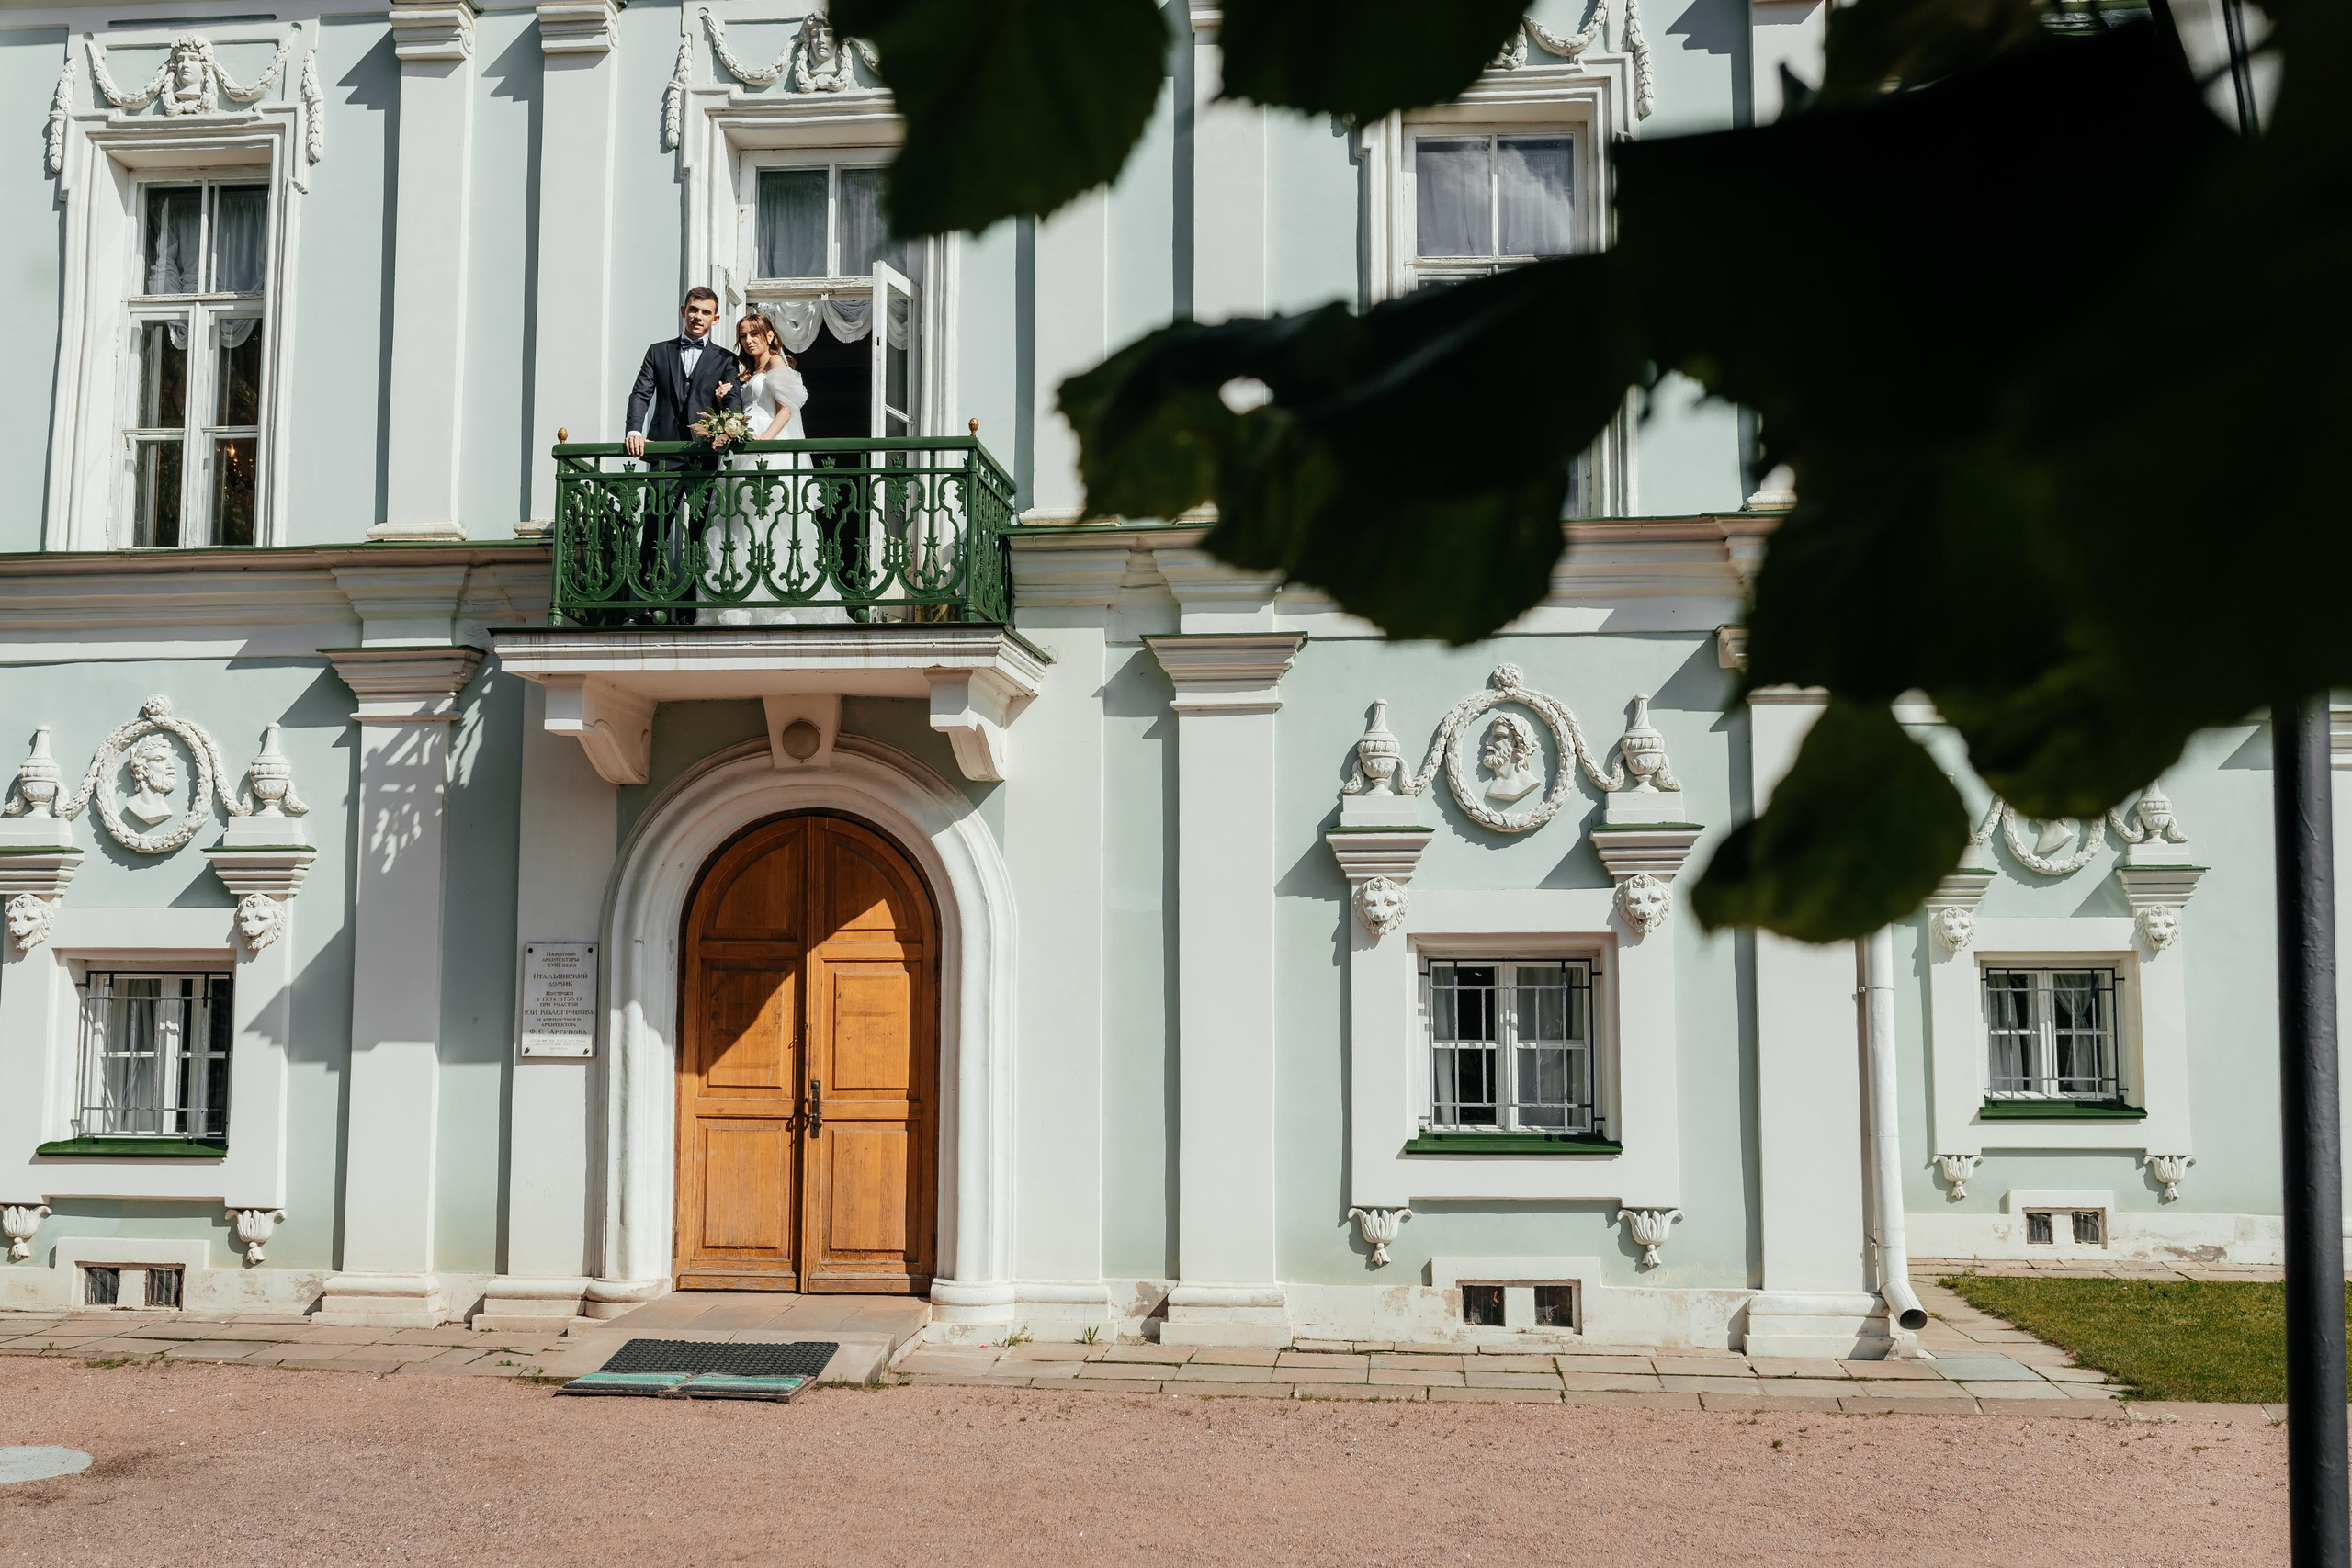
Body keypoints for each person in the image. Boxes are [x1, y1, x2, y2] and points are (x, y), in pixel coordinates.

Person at [619, 287, 744, 622]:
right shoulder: (658, 351)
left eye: (705, 312)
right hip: (665, 453)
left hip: (704, 455)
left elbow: (734, 400)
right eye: (693, 310)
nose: (698, 317)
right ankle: (646, 607)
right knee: (655, 526)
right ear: (682, 311)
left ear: (715, 318)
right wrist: (634, 430)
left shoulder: (725, 359)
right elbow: (641, 393)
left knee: (701, 531)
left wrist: (727, 419)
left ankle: (692, 609)